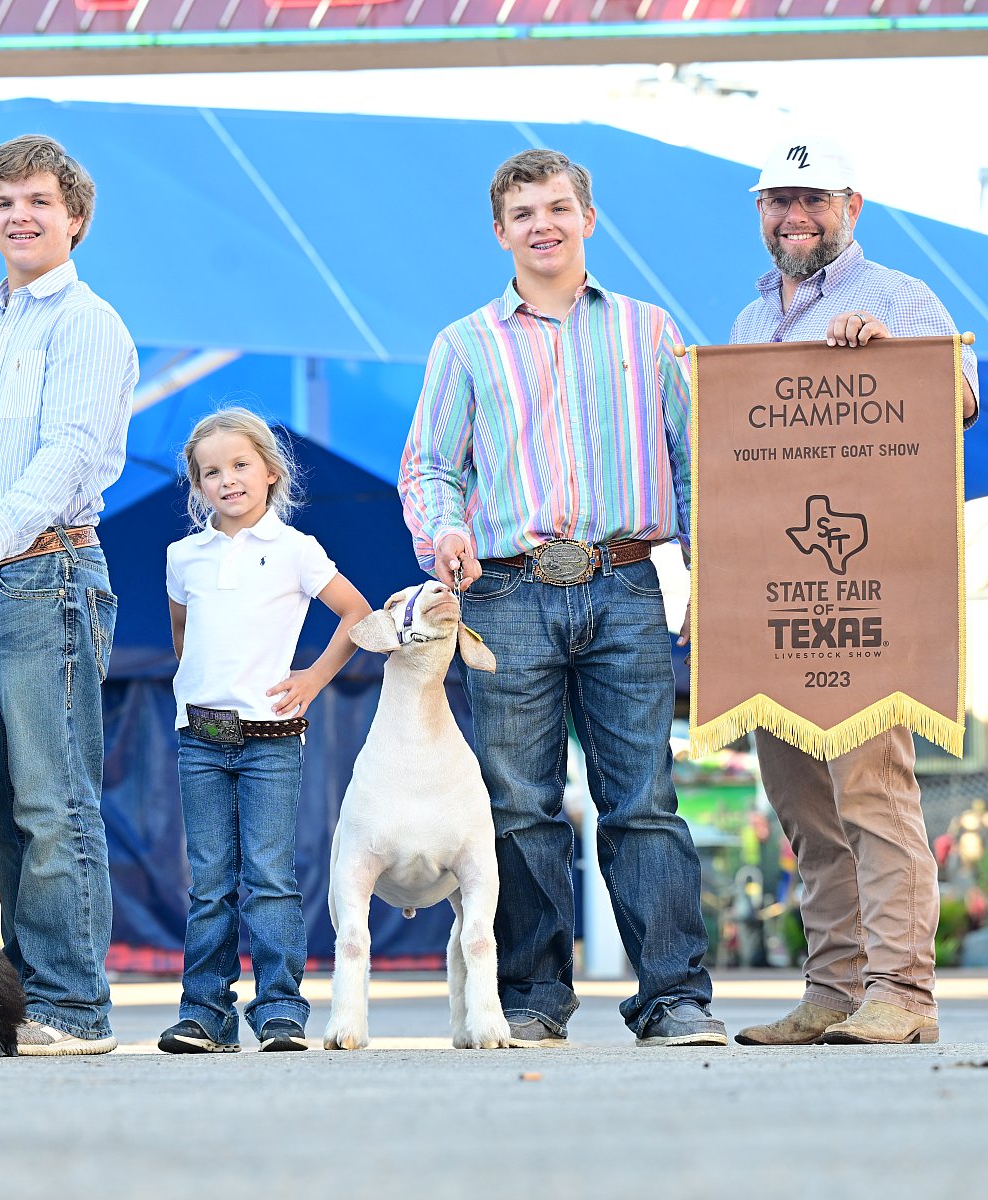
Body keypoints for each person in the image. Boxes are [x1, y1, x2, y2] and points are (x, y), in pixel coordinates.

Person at [399, 148, 725, 1048]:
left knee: (644, 798)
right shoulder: (463, 343)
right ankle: (532, 998)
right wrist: (445, 534)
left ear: (588, 216)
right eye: (523, 213)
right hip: (507, 591)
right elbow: (429, 465)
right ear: (499, 232)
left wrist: (712, 580)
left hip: (627, 585)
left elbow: (696, 469)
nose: (542, 224)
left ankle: (674, 999)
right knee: (517, 805)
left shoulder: (652, 333)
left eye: (557, 207)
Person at [728, 137, 977, 1048]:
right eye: (777, 202)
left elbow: (958, 398)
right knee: (805, 811)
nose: (795, 217)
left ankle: (904, 994)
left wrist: (889, 358)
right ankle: (834, 990)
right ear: (759, 212)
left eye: (813, 200)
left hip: (868, 597)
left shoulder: (901, 297)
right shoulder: (750, 324)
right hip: (775, 599)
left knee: (875, 797)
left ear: (852, 206)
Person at [0, 135, 137, 1056]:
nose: (21, 216)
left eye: (39, 201)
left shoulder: (89, 323)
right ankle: (14, 1007)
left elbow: (72, 453)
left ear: (74, 216)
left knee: (54, 802)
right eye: (4, 203)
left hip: (45, 572)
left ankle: (74, 1009)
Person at [158, 407, 372, 1055]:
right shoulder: (183, 555)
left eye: (240, 465)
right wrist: (202, 688)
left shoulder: (295, 552)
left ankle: (279, 1009)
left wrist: (311, 679)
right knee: (211, 880)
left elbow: (357, 613)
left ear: (271, 472)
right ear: (197, 487)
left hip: (272, 740)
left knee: (272, 875)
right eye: (211, 472)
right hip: (200, 736)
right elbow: (181, 634)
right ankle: (205, 1012)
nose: (227, 480)